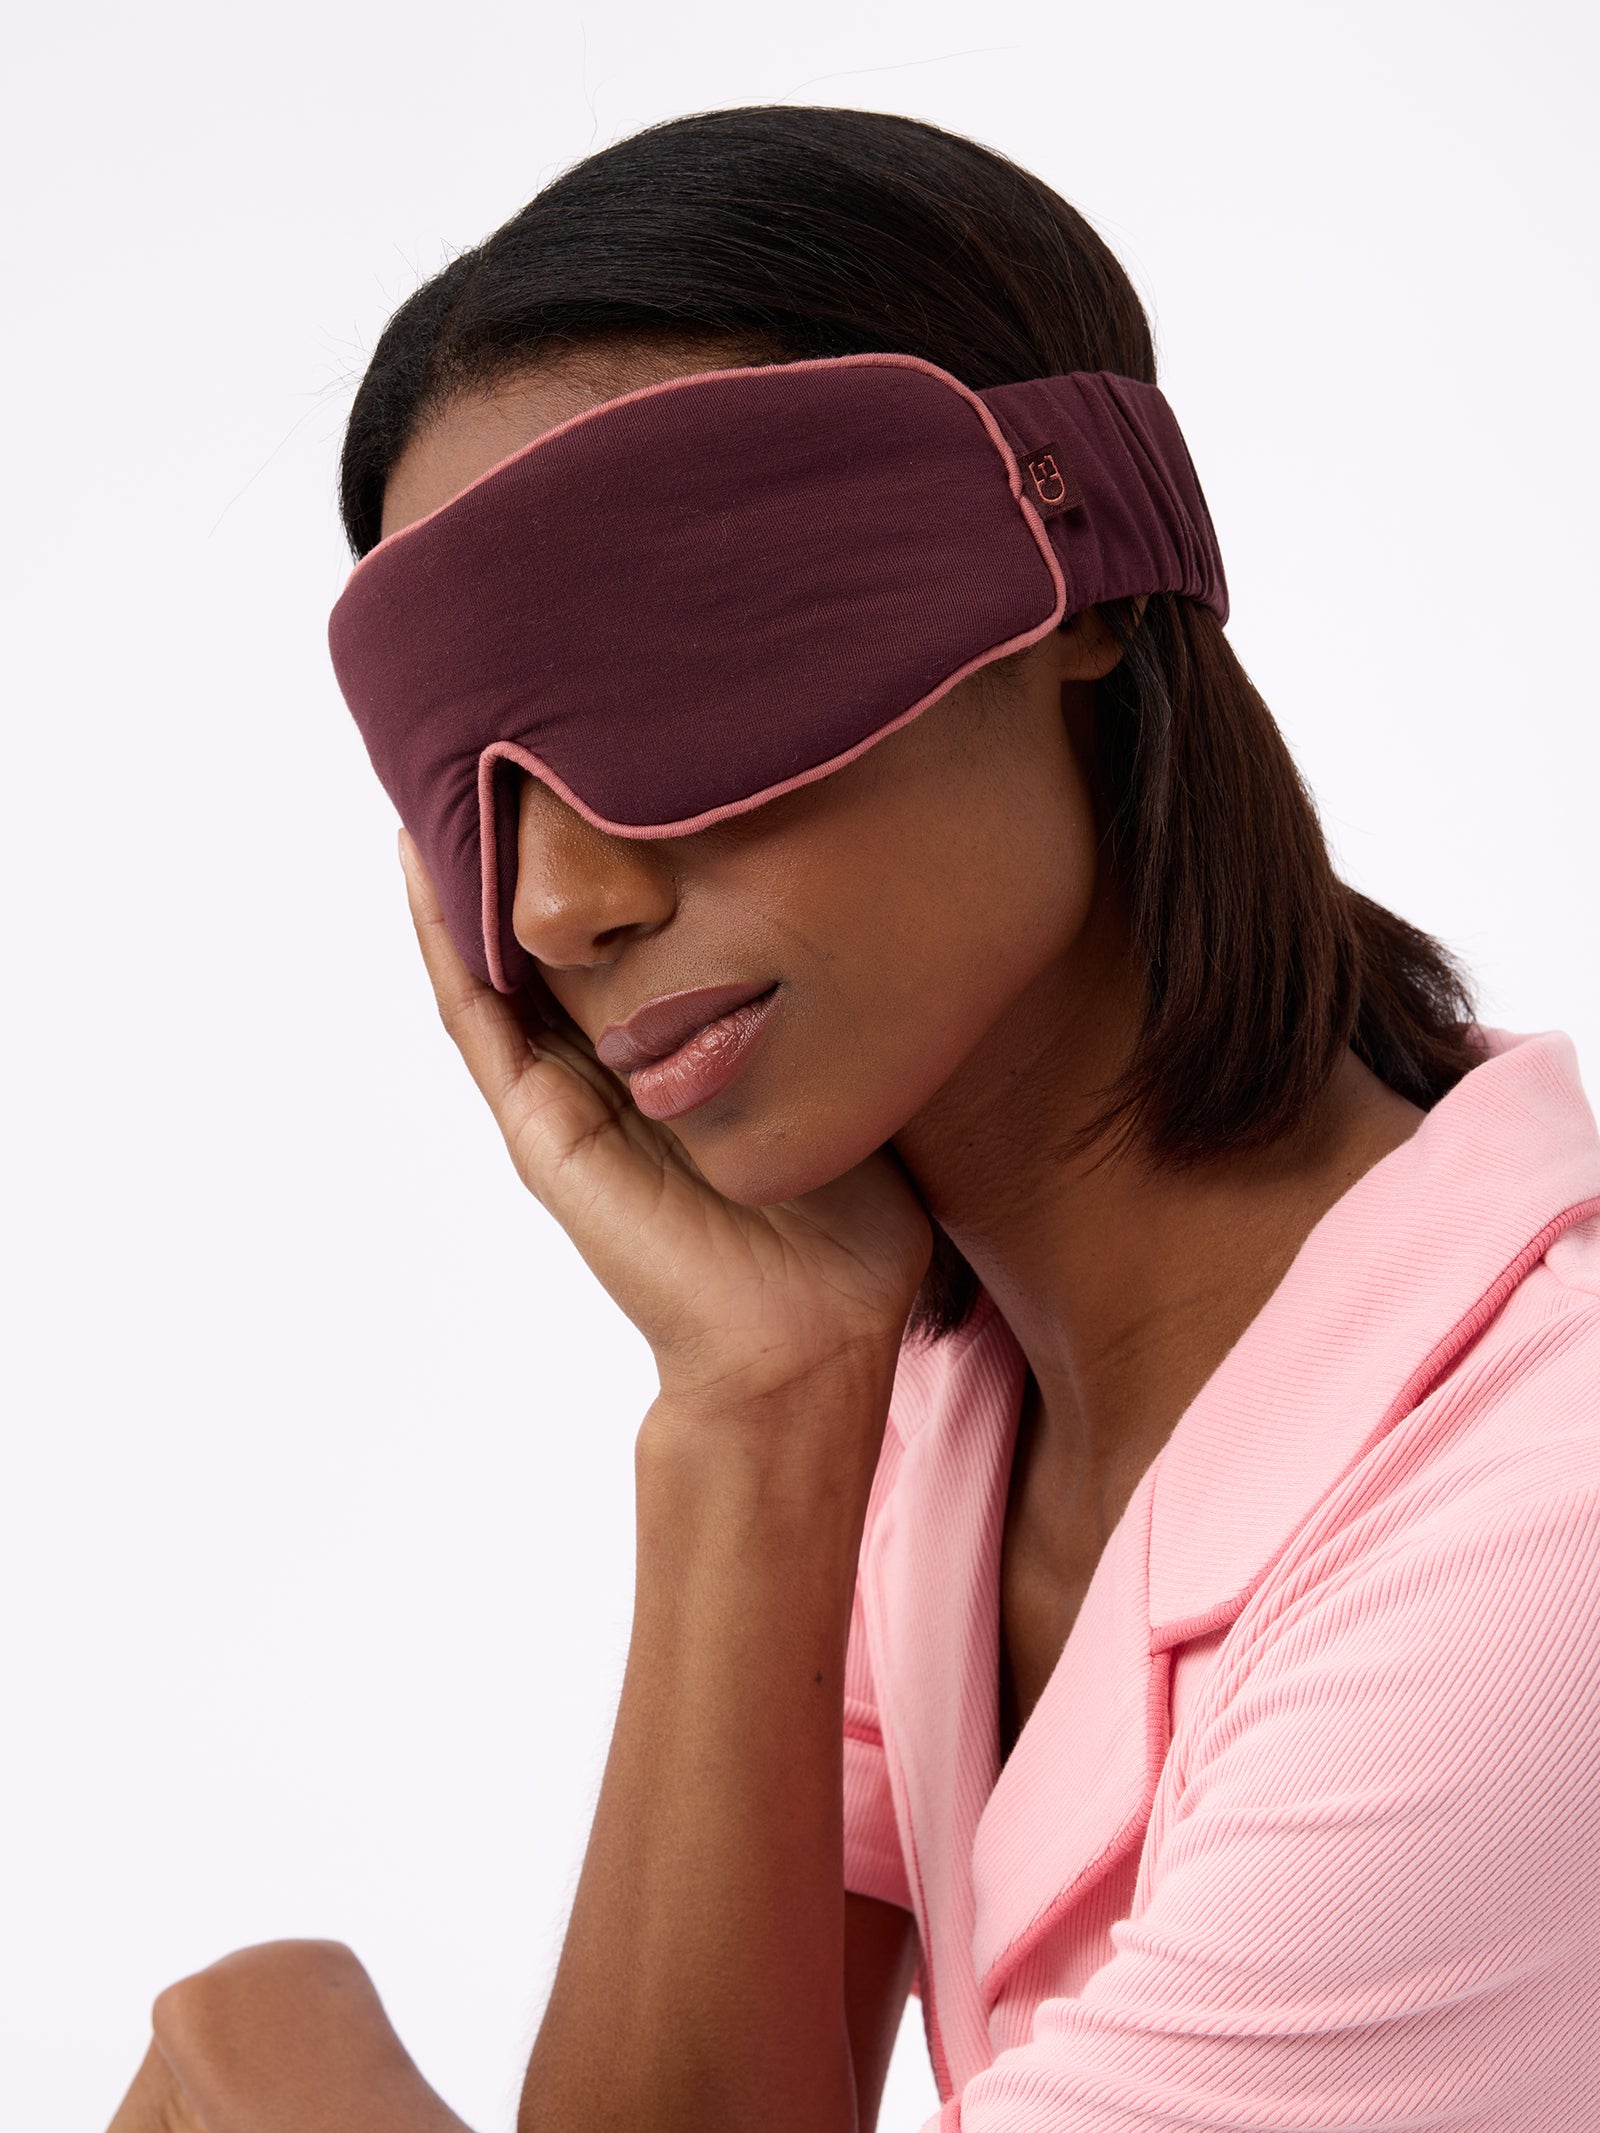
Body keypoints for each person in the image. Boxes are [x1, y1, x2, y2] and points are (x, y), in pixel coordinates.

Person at [108, 104, 1600, 2133]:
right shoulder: (959, 1421)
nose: (558, 903)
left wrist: (271, 2051)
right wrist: (759, 1394)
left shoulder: (1536, 1542)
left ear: (1073, 561)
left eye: (658, 660)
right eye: (474, 787)